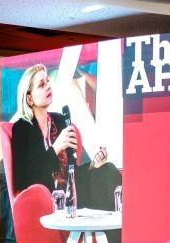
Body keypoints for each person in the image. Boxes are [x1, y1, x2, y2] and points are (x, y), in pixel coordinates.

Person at [10, 63, 121, 210]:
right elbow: (25, 180)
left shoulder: (59, 121)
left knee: (108, 170)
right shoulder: (21, 129)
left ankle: (115, 223)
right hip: (45, 199)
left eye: (48, 82)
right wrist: (56, 148)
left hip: (71, 192)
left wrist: (93, 165)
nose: (48, 87)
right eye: (41, 85)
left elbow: (72, 172)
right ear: (29, 99)